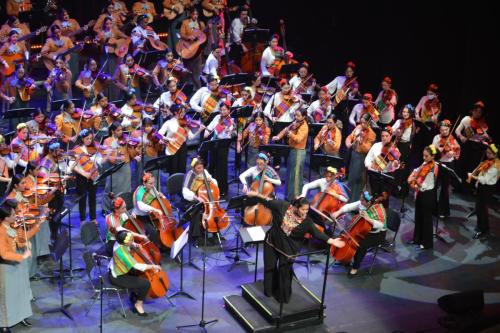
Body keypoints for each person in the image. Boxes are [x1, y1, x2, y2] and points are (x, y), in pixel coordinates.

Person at [244, 191, 344, 302]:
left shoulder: (307, 222)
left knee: (284, 273)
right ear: (296, 207)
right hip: (272, 243)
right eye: (303, 209)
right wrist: (255, 194)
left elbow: (317, 233)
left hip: (288, 250)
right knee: (269, 268)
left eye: (307, 210)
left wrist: (332, 241)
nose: (305, 212)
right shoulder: (282, 206)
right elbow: (266, 201)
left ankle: (283, 298)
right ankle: (268, 291)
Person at [0, 202, 37, 332]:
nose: (16, 216)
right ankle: (4, 323)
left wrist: (25, 243)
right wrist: (22, 256)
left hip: (17, 265)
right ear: (5, 217)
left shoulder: (11, 227)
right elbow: (4, 254)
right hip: (7, 267)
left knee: (19, 292)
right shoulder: (1, 232)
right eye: (13, 214)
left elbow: (18, 242)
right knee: (7, 296)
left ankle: (20, 316)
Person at [332, 191, 386, 276]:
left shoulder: (378, 209)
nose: (360, 202)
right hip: (363, 228)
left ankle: (355, 267)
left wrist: (369, 219)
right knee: (346, 233)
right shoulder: (362, 203)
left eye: (362, 200)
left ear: (369, 202)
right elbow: (349, 206)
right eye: (360, 199)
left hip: (377, 233)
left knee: (361, 245)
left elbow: (380, 225)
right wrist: (338, 212)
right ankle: (346, 258)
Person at [108, 230, 161, 316]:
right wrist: (153, 266)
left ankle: (135, 293)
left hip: (120, 269)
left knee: (138, 274)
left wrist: (134, 244)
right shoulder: (121, 253)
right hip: (117, 277)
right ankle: (138, 304)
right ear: (124, 243)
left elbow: (129, 242)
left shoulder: (119, 242)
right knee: (146, 284)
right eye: (130, 241)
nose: (132, 241)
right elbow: (137, 266)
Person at [272, 108, 309, 201]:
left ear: (304, 117)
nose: (296, 117)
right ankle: (289, 196)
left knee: (296, 176)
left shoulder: (304, 126)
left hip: (299, 152)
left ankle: (295, 198)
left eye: (298, 115)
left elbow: (298, 139)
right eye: (295, 115)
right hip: (293, 150)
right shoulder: (295, 122)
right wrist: (278, 136)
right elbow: (285, 130)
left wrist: (290, 134)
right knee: (291, 174)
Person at [407, 145, 439, 250]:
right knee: (418, 216)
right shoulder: (425, 163)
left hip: (427, 195)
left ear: (432, 156)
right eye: (423, 156)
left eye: (426, 156)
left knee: (426, 219)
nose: (424, 158)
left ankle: (427, 243)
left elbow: (425, 186)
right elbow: (418, 170)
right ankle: (417, 239)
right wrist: (413, 174)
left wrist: (415, 181)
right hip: (421, 193)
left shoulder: (433, 168)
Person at [158, 103, 204, 175]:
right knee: (173, 169)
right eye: (181, 112)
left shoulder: (184, 123)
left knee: (181, 169)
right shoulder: (168, 123)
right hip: (172, 147)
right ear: (176, 112)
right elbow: (159, 134)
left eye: (184, 112)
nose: (183, 113)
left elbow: (190, 137)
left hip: (183, 147)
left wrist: (199, 130)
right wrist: (169, 139)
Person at [182, 157, 218, 246]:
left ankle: (215, 232)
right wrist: (195, 197)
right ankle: (198, 237)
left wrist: (211, 181)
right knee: (198, 210)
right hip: (193, 199)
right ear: (193, 168)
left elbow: (214, 183)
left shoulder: (204, 172)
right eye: (198, 168)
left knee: (214, 210)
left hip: (205, 197)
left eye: (202, 167)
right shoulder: (190, 175)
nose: (201, 169)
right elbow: (185, 191)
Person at [455, 101, 489, 192]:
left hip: (476, 147)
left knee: (471, 167)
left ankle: (467, 187)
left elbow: (480, 138)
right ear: (473, 111)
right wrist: (461, 136)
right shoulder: (466, 119)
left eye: (480, 112)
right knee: (461, 165)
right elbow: (457, 130)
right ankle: (458, 185)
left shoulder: (483, 125)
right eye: (476, 111)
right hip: (466, 145)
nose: (477, 113)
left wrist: (484, 138)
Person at [204, 101, 236, 196]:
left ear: (229, 110)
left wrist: (230, 131)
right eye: (221, 110)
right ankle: (212, 188)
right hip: (214, 142)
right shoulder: (217, 117)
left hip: (224, 144)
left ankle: (222, 189)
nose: (222, 112)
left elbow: (235, 132)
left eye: (224, 110)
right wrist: (206, 131)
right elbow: (210, 128)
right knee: (212, 165)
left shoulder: (232, 120)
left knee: (221, 167)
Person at [468, 144, 499, 240]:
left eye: (490, 154)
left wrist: (473, 177)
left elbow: (484, 180)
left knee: (482, 209)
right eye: (487, 152)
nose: (487, 155)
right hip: (482, 187)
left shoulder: (495, 165)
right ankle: (480, 226)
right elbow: (482, 173)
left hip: (487, 188)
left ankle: (484, 230)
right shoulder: (488, 161)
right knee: (479, 208)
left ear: (496, 155)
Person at [71, 129, 102, 225]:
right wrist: (84, 174)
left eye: (91, 139)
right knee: (82, 199)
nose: (89, 141)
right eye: (87, 139)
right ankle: (82, 219)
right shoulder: (76, 149)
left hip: (93, 176)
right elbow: (73, 166)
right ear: (82, 138)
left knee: (93, 198)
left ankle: (93, 218)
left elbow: (99, 162)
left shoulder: (94, 148)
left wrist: (105, 156)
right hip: (82, 177)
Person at [432, 119, 460, 218]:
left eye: (446, 130)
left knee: (445, 188)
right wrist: (439, 150)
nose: (444, 132)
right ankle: (432, 208)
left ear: (449, 129)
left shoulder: (452, 139)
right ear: (439, 129)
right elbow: (432, 150)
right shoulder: (436, 138)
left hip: (448, 165)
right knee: (434, 186)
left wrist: (453, 153)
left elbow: (458, 150)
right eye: (442, 130)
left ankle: (443, 211)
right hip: (438, 163)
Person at [345, 113, 376, 202]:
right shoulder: (358, 127)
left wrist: (362, 142)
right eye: (361, 122)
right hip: (354, 155)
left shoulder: (372, 134)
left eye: (364, 123)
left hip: (361, 157)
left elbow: (368, 149)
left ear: (368, 123)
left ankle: (354, 202)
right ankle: (348, 199)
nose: (362, 124)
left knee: (358, 181)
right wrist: (348, 142)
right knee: (351, 178)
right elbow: (350, 137)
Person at [391, 104, 416, 208]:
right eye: (404, 112)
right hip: (398, 145)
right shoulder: (398, 122)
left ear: (410, 113)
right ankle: (394, 187)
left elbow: (412, 136)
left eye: (407, 112)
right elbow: (391, 131)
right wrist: (395, 132)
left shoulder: (413, 124)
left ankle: (401, 189)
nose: (405, 114)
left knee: (403, 167)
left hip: (406, 147)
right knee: (395, 166)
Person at [131, 172, 165, 247]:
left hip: (152, 214)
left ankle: (164, 243)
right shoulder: (139, 192)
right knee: (154, 232)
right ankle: (157, 248)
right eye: (150, 183)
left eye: (153, 183)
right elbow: (141, 206)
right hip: (141, 216)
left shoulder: (152, 187)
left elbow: (156, 196)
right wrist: (154, 209)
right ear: (144, 183)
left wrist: (161, 195)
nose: (153, 185)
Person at [179, 8, 206, 90]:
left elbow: (204, 35)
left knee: (197, 71)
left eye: (197, 14)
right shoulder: (185, 22)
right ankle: (188, 88)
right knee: (188, 70)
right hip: (188, 49)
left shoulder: (200, 23)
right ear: (190, 14)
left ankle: (198, 89)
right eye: (194, 14)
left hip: (197, 50)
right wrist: (188, 37)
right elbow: (181, 34)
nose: (195, 16)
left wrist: (207, 29)